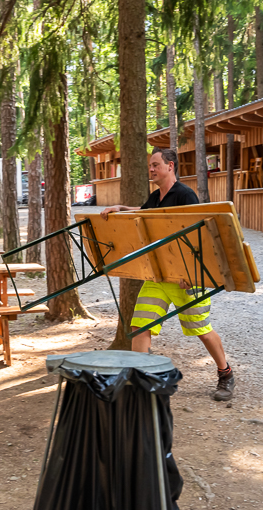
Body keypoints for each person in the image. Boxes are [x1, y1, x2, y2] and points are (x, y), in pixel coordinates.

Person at [101, 147, 236, 402]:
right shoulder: (156, 197)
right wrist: (120, 208)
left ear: (170, 166)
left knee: (201, 329)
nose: (151, 169)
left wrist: (192, 274)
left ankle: (226, 373)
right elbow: (143, 213)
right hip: (158, 277)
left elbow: (200, 236)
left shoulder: (185, 195)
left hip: (187, 278)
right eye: (150, 165)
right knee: (140, 326)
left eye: (155, 165)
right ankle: (140, 382)